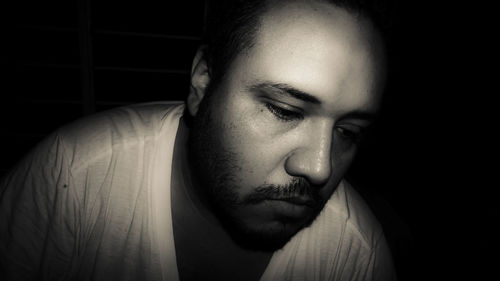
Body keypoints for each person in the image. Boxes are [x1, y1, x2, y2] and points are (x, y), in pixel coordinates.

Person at [0, 0, 397, 280]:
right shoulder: (72, 177)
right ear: (203, 80)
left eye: (348, 132)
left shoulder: (355, 257)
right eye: (283, 110)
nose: (319, 167)